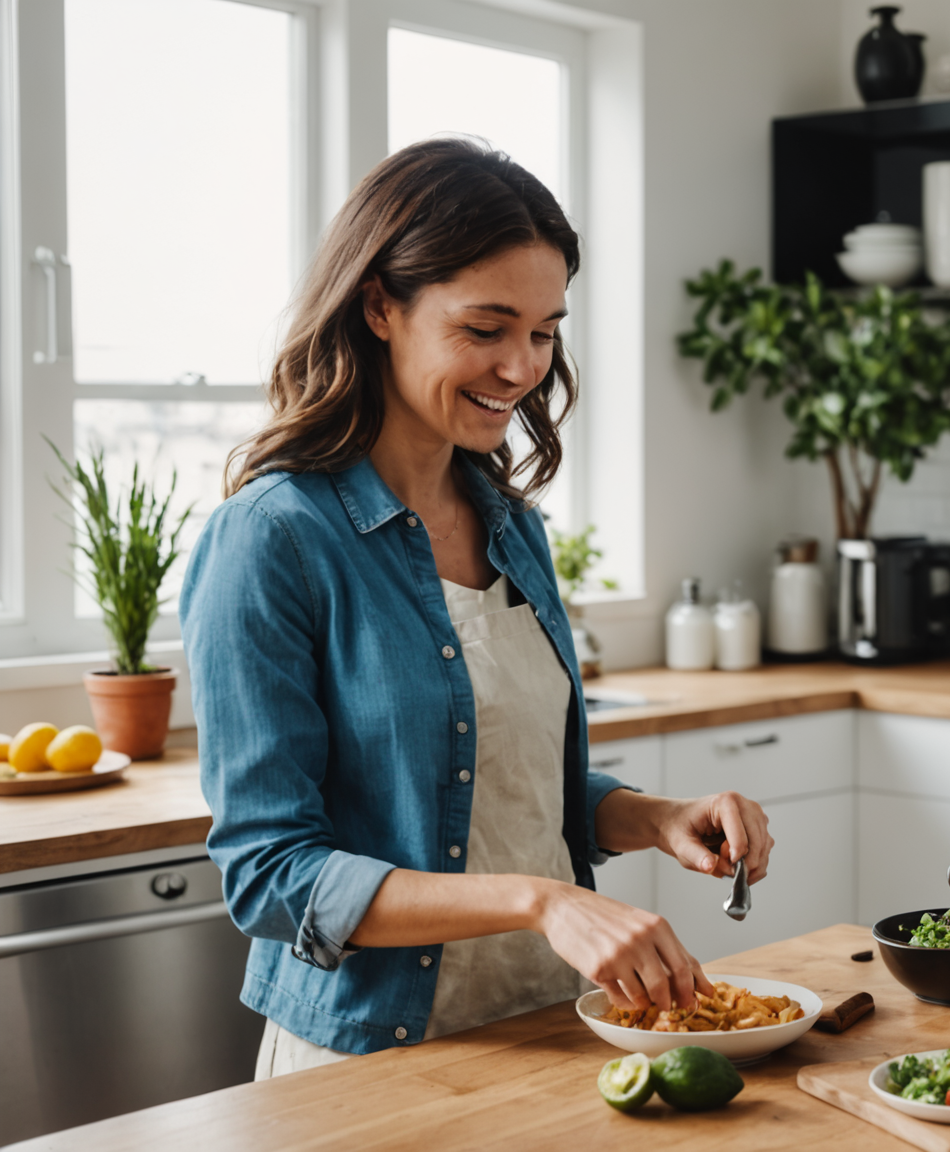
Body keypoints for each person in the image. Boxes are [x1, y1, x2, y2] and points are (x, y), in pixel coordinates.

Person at [182, 138, 772, 1077]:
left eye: (544, 331)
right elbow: (272, 875)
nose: (522, 367)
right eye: (486, 328)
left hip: (546, 1028)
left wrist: (656, 816)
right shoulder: (272, 538)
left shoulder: (510, 527)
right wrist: (544, 902)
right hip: (369, 1060)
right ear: (380, 304)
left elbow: (494, 787)